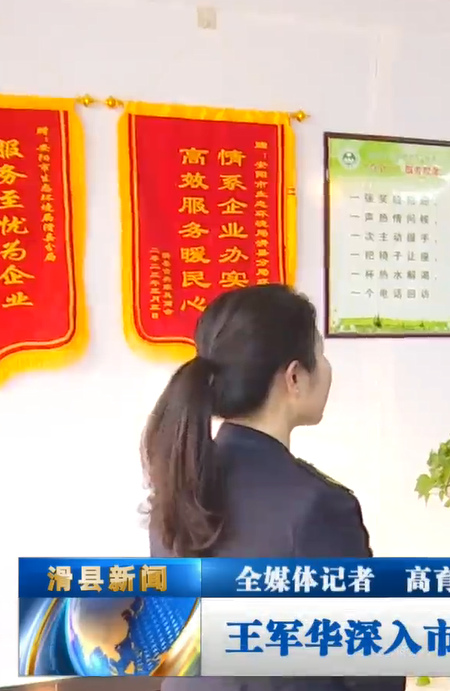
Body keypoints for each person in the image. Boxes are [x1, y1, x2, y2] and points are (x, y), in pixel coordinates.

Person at [141, 284, 402, 691]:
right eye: (320, 354)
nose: (327, 368)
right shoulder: (317, 506)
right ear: (294, 377)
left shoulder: (179, 486)